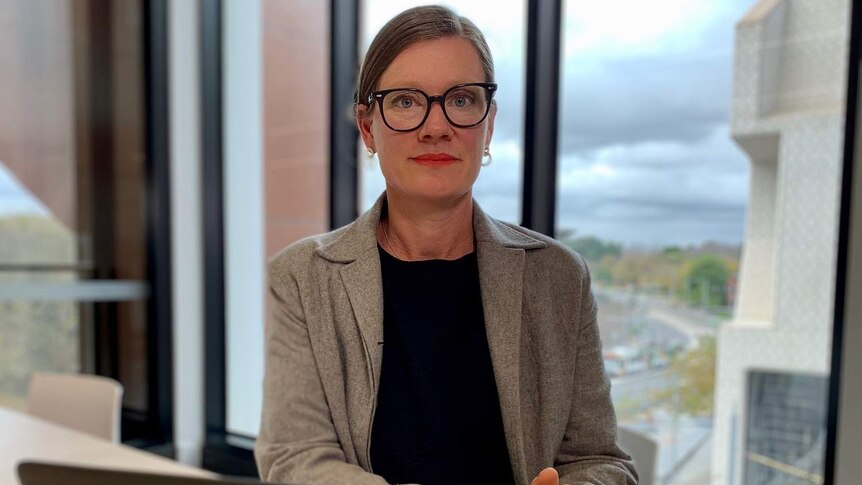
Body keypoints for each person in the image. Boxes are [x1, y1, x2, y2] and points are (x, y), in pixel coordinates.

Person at [255, 5, 637, 485]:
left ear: (488, 124)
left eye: (460, 100)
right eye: (405, 101)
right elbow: (293, 457)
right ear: (368, 126)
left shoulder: (559, 275)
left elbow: (601, 460)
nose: (436, 126)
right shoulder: (302, 276)